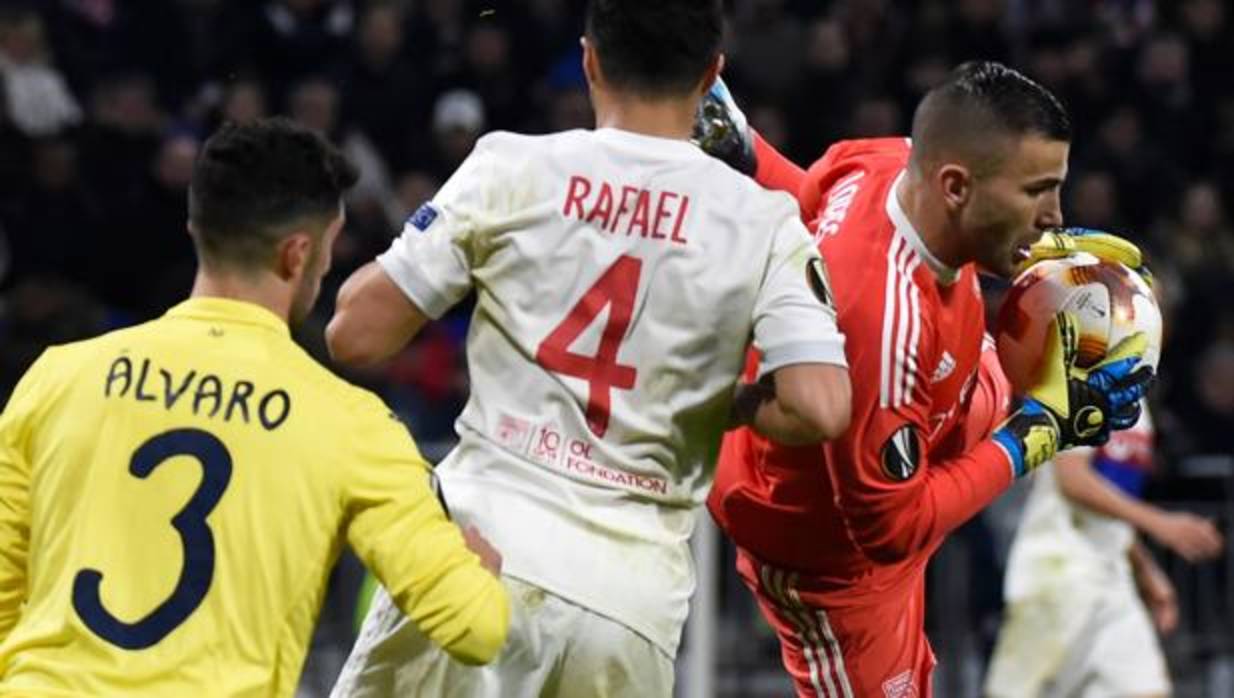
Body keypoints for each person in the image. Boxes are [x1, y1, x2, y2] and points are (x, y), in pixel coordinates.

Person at [325, 1, 853, 695]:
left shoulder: (510, 167)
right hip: (624, 605)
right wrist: (741, 402)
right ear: (712, 75)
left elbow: (355, 335)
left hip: (473, 557)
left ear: (590, 61)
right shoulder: (764, 221)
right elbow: (820, 405)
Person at [0, 118, 509, 697]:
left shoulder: (59, 377)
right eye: (329, 245)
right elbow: (474, 627)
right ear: (297, 253)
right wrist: (477, 574)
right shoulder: (351, 425)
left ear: (196, 228)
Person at [698, 61, 1156, 697]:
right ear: (956, 188)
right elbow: (892, 531)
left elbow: (809, 211)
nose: (1055, 216)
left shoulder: (890, 161)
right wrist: (1038, 435)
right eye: (1036, 191)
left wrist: (747, 152)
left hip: (932, 402)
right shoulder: (882, 330)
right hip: (835, 560)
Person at [985, 401, 1224, 698]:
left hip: (1112, 579)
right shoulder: (1087, 378)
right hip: (1058, 576)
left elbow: (1112, 502)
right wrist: (1160, 523)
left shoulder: (1138, 400)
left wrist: (1145, 568)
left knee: (1146, 689)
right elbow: (1071, 478)